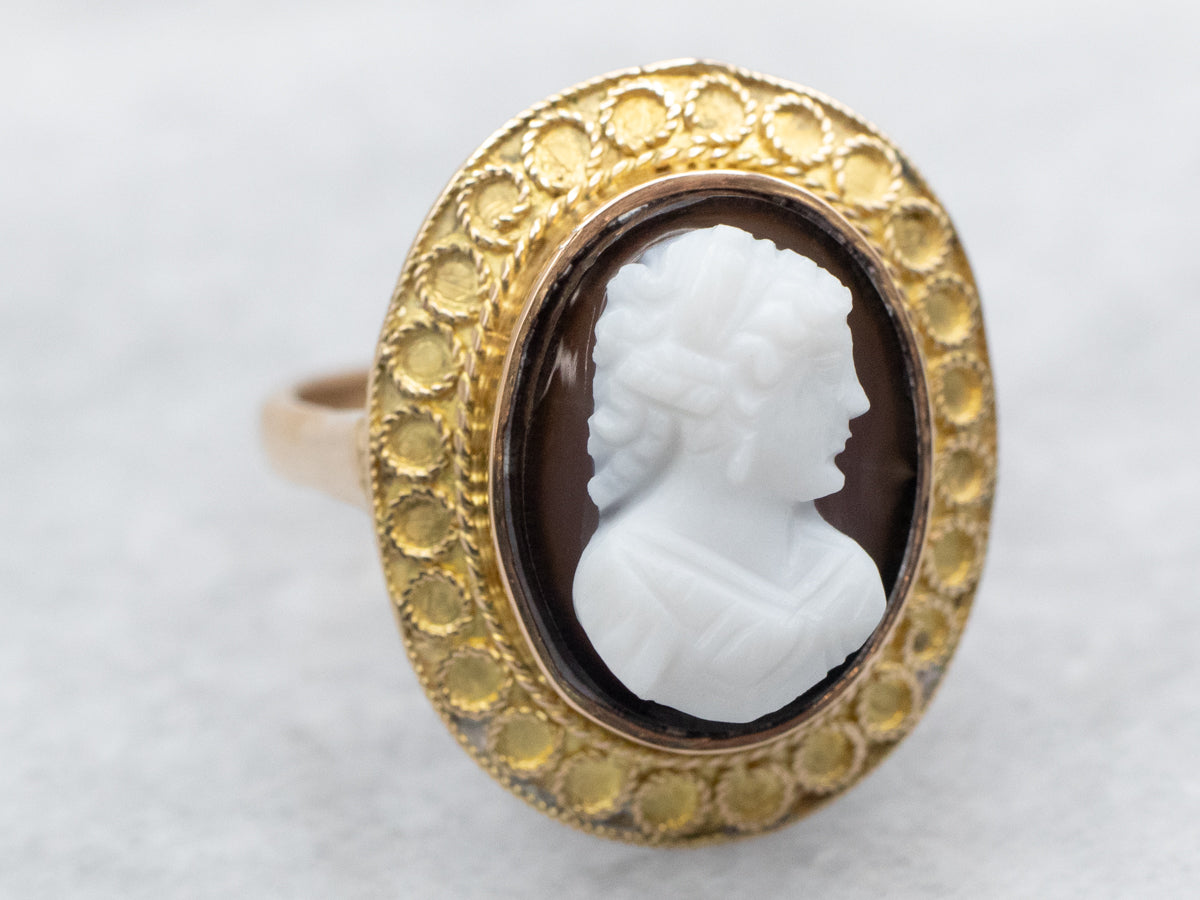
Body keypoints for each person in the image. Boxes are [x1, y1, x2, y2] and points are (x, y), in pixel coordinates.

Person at [572, 224, 885, 723]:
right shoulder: (628, 593)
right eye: (823, 375)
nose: (857, 401)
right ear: (720, 404)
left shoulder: (850, 584)